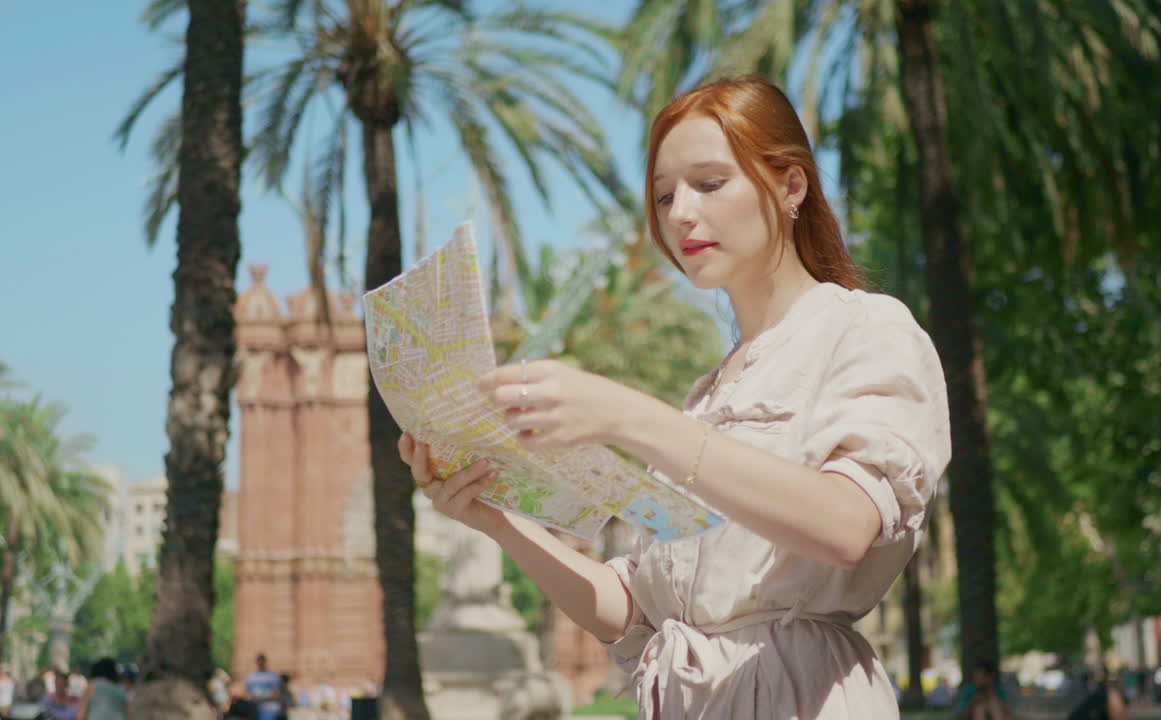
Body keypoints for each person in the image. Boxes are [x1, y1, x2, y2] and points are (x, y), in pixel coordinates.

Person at [400, 75, 951, 719]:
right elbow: (627, 610)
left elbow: (847, 524)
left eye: (709, 183)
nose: (680, 212)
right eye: (664, 196)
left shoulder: (866, 330)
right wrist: (492, 516)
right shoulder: (706, 397)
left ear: (790, 185)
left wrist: (627, 415)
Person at [244, 654, 282, 720]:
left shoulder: (272, 676)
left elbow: (277, 693)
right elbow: (246, 692)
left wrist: (262, 699)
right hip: (254, 709)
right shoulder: (251, 676)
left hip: (269, 709)